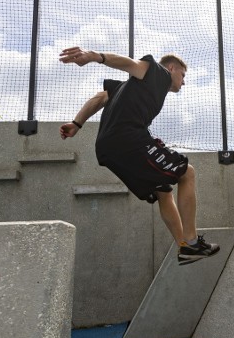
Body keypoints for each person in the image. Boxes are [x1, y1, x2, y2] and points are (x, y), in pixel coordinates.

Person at [58, 47, 219, 263]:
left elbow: (99, 97)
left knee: (163, 190)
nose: (184, 81)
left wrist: (77, 123)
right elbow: (131, 64)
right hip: (128, 141)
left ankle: (183, 247)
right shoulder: (159, 74)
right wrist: (95, 57)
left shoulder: (126, 87)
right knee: (186, 172)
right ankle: (192, 243)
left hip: (108, 148)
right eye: (183, 75)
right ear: (172, 68)